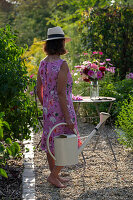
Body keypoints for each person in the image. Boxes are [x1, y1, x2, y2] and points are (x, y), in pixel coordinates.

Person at [37, 26, 81, 188]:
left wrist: (46, 106)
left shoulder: (42, 63)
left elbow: (38, 89)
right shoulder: (62, 65)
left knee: (51, 141)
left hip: (49, 111)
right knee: (68, 141)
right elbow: (61, 93)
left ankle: (54, 175)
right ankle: (54, 175)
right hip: (62, 110)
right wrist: (68, 117)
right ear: (61, 43)